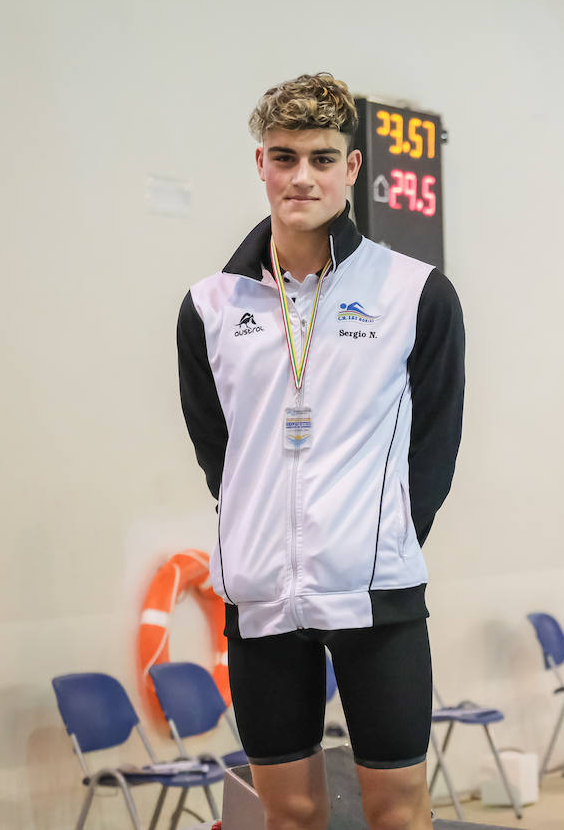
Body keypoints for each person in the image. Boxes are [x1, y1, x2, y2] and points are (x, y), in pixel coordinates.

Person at [177, 73, 465, 830]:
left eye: (321, 157)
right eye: (284, 156)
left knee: (397, 810)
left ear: (352, 169)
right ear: (261, 164)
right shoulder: (210, 307)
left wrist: (383, 534)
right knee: (292, 812)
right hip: (262, 596)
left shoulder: (416, 293)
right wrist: (256, 529)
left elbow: (436, 445)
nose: (301, 175)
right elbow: (219, 448)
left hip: (376, 592)